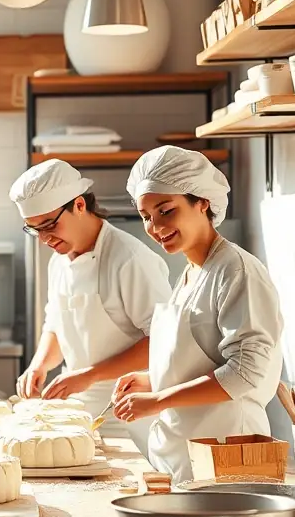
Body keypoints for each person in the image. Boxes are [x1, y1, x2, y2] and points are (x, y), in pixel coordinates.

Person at [113, 146, 284, 483]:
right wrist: (153, 379)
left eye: (166, 210)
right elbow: (203, 360)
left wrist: (158, 400)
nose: (154, 226)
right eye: (145, 216)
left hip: (226, 453)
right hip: (182, 455)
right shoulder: (192, 273)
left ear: (202, 202)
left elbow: (245, 373)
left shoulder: (236, 271)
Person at [10, 160, 171, 453]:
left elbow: (164, 341)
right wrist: (39, 365)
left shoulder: (129, 259)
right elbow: (56, 324)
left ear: (80, 205)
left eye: (49, 225)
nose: (44, 239)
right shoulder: (59, 260)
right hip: (78, 414)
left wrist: (89, 375)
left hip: (130, 415)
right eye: (35, 230)